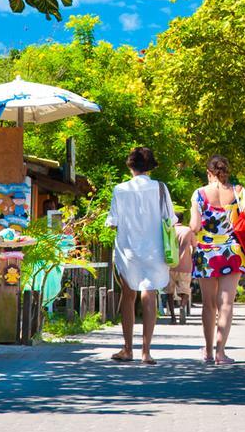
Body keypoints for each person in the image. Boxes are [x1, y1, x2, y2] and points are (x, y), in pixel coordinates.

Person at [106, 146, 175, 365]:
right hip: (155, 249)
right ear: (151, 167)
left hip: (128, 250)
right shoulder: (161, 188)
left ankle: (127, 349)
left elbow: (112, 223)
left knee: (128, 295)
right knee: (149, 295)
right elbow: (170, 219)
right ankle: (146, 352)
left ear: (130, 166)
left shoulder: (120, 189)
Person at [190, 154, 245, 365]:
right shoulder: (238, 192)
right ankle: (221, 353)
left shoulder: (199, 194)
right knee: (226, 303)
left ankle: (208, 352)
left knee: (208, 304)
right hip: (232, 253)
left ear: (209, 173)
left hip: (206, 253)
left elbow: (194, 226)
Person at [165, 211, 196, 325]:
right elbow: (195, 246)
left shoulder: (169, 230)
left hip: (170, 265)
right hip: (185, 265)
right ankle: (182, 306)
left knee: (169, 292)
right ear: (182, 219)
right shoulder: (188, 230)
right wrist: (190, 257)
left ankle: (173, 317)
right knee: (185, 290)